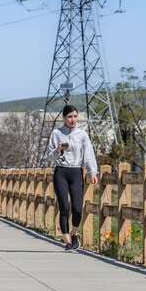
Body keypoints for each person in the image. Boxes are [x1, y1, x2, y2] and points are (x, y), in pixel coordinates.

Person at [47, 104, 99, 252]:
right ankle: (67, 241)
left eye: (75, 116)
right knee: (64, 207)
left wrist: (92, 172)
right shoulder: (56, 133)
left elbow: (88, 154)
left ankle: (74, 233)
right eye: (70, 117)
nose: (73, 120)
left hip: (76, 172)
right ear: (64, 117)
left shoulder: (82, 135)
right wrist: (58, 150)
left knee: (77, 208)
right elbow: (50, 158)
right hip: (61, 172)